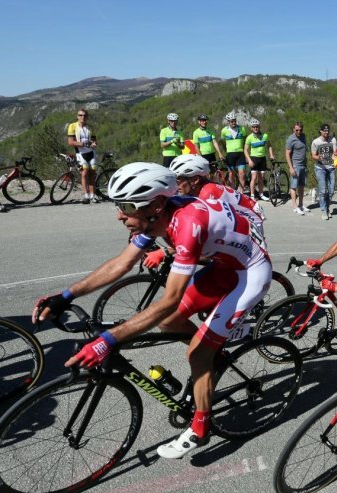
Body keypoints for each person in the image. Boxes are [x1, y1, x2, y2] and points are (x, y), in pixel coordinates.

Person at [32, 162, 272, 459]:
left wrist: (108, 339)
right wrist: (66, 295)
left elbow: (170, 298)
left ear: (156, 205)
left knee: (196, 353)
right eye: (118, 205)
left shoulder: (187, 224)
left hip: (249, 275)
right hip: (223, 268)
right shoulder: (157, 218)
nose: (120, 215)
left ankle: (200, 429)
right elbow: (122, 264)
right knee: (170, 323)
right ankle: (214, 356)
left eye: (127, 206)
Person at [167, 154, 266, 248]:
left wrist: (169, 250)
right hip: (237, 216)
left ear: (195, 179)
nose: (176, 184)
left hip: (251, 219)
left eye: (178, 180)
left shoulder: (208, 192)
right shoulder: (197, 189)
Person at [67, 108, 99, 204]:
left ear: (87, 117)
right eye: (80, 115)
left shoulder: (90, 127)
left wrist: (94, 144)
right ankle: (86, 195)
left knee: (92, 173)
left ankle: (93, 195)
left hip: (91, 153)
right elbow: (71, 142)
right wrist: (84, 144)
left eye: (85, 115)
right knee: (84, 173)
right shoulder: (72, 126)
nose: (83, 117)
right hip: (80, 153)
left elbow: (94, 140)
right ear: (77, 116)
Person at [244, 118, 274, 202]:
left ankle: (261, 194)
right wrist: (249, 160)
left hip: (262, 158)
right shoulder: (249, 137)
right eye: (254, 127)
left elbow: (269, 146)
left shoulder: (265, 136)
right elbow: (245, 150)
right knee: (254, 177)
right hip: (254, 158)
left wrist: (271, 154)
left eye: (257, 126)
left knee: (261, 177)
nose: (255, 128)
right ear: (251, 128)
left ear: (259, 127)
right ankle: (252, 195)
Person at [311, 124, 337, 220]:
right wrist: (318, 157)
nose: (326, 132)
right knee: (323, 190)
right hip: (320, 168)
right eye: (324, 131)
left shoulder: (333, 140)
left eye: (328, 131)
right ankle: (323, 211)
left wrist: (336, 153)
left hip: (331, 167)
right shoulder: (316, 142)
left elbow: (335, 151)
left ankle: (328, 208)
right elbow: (313, 155)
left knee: (331, 190)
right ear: (320, 131)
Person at [285, 121, 309, 215]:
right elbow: (287, 154)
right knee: (293, 186)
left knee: (302, 186)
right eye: (297, 130)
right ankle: (295, 206)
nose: (299, 131)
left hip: (303, 165)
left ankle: (301, 205)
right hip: (295, 165)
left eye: (300, 130)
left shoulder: (303, 136)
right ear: (293, 129)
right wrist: (291, 168)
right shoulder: (291, 139)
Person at [221, 112, 248, 190]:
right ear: (228, 122)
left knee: (242, 173)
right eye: (231, 121)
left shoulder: (242, 129)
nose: (233, 122)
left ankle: (241, 191)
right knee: (231, 174)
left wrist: (245, 153)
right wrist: (225, 151)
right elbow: (223, 142)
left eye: (234, 120)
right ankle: (232, 190)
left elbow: (245, 141)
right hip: (230, 154)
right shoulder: (224, 131)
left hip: (240, 154)